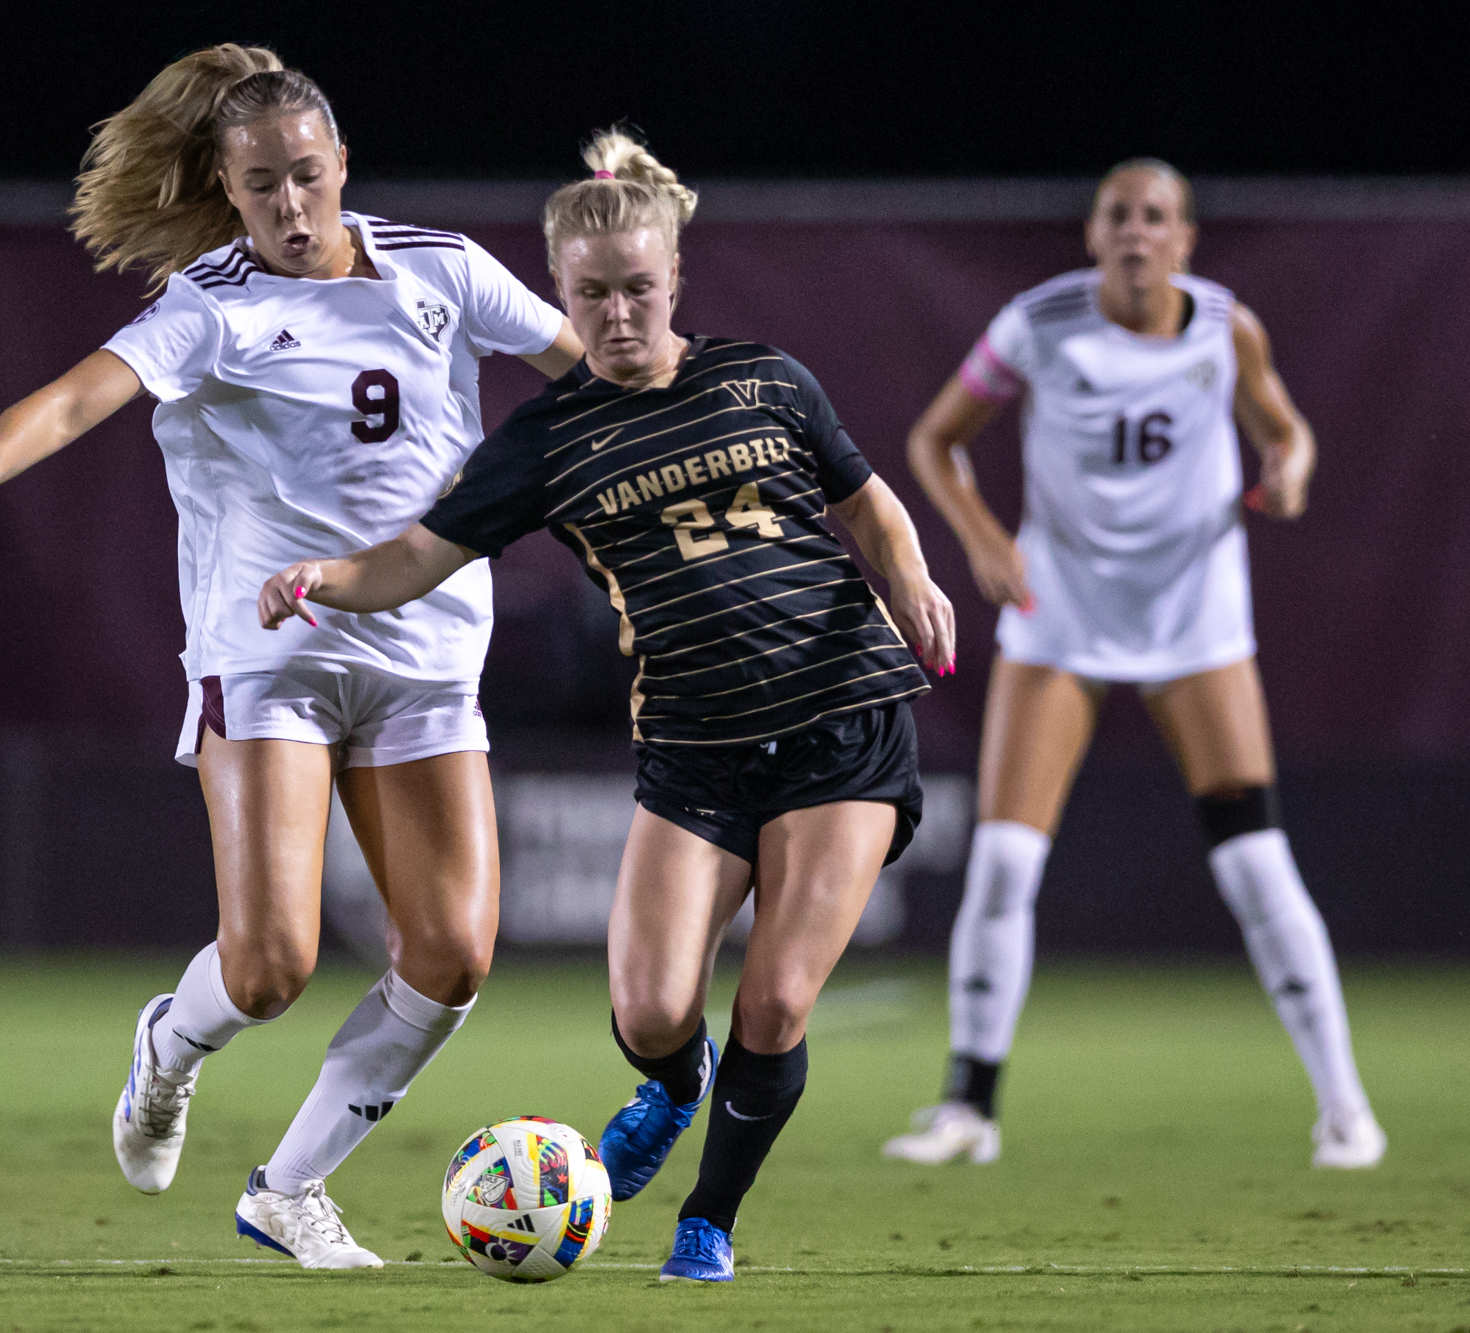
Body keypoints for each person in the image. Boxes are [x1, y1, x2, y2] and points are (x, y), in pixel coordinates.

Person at [0, 45, 583, 1269]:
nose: (289, 206)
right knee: (270, 968)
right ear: (226, 183)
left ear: (343, 166)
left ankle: (288, 1188)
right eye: (261, 184)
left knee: (453, 954)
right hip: (272, 655)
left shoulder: (442, 272)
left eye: (307, 177)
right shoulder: (210, 303)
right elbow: (76, 397)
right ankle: (169, 1046)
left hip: (428, 653)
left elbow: (582, 378)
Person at [258, 130, 955, 1282]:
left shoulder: (764, 376)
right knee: (647, 1012)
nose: (617, 315)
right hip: (692, 744)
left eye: (638, 289)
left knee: (775, 1000)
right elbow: (413, 560)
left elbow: (868, 504)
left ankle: (707, 1221)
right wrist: (323, 579)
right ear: (559, 294)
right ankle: (676, 1083)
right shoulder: (545, 437)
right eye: (590, 296)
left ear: (674, 278)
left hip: (842, 717)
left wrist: (913, 577)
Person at [883, 159, 1384, 1170]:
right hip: (1060, 618)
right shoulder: (1038, 324)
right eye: (1118, 216)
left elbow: (1282, 428)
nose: (1136, 234)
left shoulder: (1221, 327)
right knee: (1002, 863)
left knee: (1252, 861)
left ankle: (1343, 1106)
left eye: (1155, 218)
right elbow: (934, 441)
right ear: (1093, 232)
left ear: (1184, 239)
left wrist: (1287, 469)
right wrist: (980, 536)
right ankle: (965, 1109)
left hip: (1193, 621)